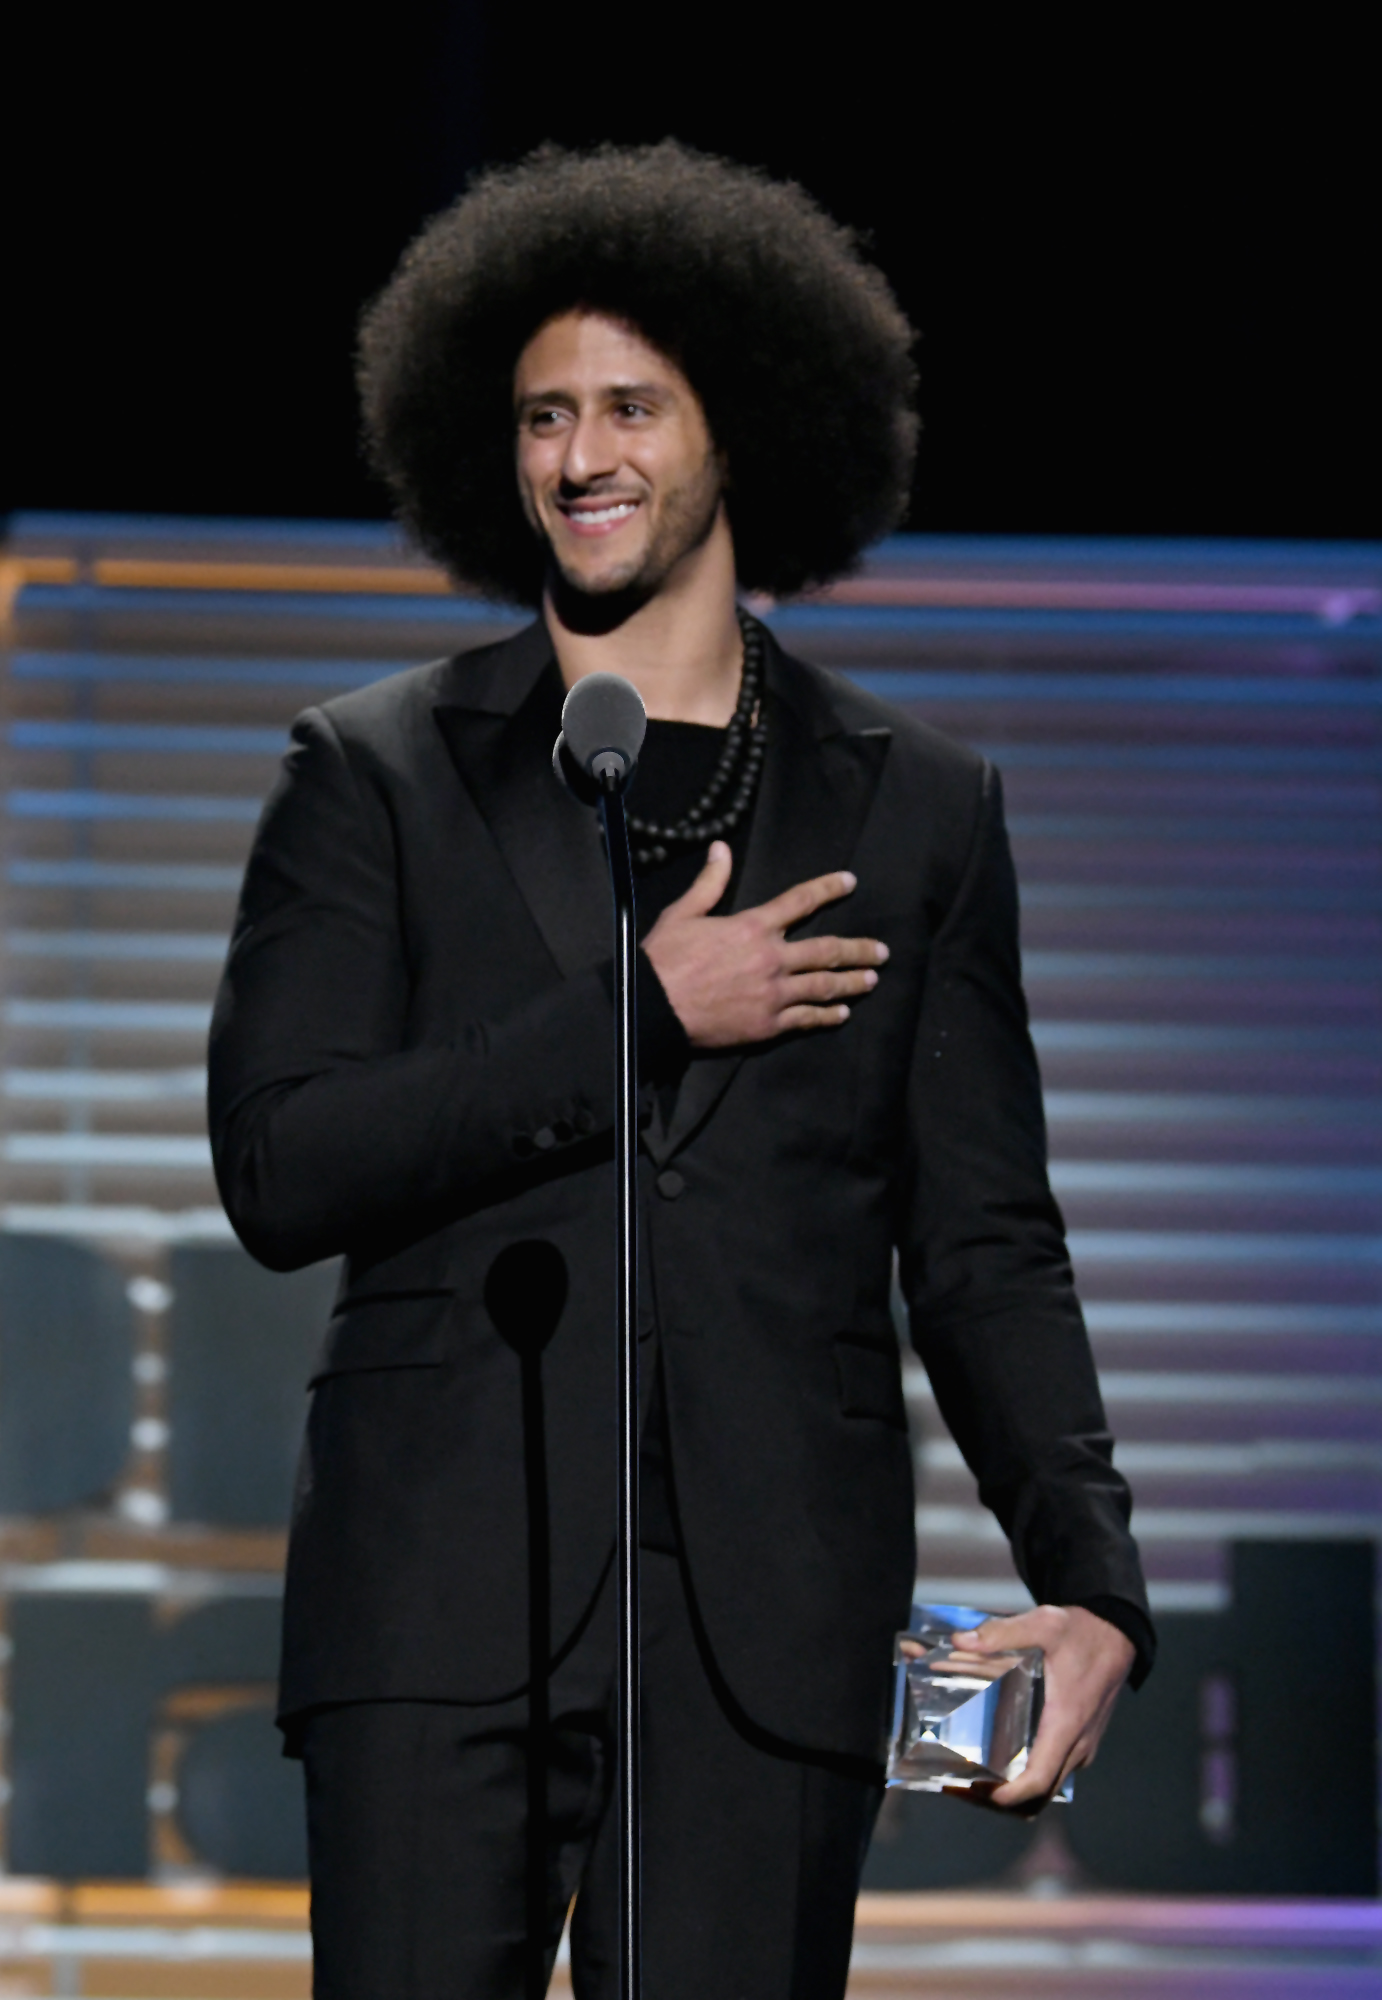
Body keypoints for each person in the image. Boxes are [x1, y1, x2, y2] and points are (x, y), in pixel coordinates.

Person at [206, 142, 1152, 2000]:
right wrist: (634, 1012)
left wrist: (1094, 1580)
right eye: (543, 415)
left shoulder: (919, 809)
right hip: (437, 1610)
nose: (581, 457)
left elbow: (984, 1245)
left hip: (766, 1625)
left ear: (745, 424)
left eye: (631, 406)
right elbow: (281, 1161)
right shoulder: (377, 771)